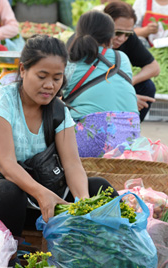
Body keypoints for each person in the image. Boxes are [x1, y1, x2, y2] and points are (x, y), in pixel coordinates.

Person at [0, 35, 117, 238]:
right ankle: (7, 264)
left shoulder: (59, 112)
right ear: (23, 70)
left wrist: (85, 203)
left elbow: (72, 165)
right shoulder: (0, 102)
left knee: (100, 189)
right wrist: (40, 193)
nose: (49, 86)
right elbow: (6, 165)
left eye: (56, 78)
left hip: (45, 197)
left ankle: (107, 257)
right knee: (8, 192)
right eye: (42, 76)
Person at [63, 10, 139, 158]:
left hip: (90, 140)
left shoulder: (70, 61)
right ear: (111, 38)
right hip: (130, 141)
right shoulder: (122, 58)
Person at [104, 1, 160, 122]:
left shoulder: (127, 38)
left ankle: (130, 133)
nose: (122, 38)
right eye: (117, 33)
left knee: (147, 86)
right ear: (105, 25)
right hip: (91, 93)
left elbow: (154, 67)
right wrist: (127, 96)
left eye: (128, 34)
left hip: (114, 88)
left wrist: (129, 83)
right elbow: (94, 83)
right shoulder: (91, 41)